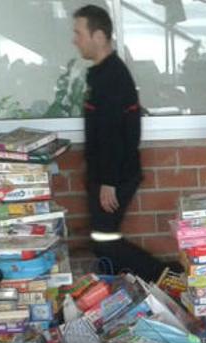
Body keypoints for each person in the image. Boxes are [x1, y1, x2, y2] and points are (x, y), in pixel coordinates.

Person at [72, 4, 171, 281]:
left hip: (114, 177)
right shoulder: (101, 73)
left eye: (79, 33)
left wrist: (109, 182)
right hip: (104, 176)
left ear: (99, 36)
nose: (74, 40)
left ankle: (170, 275)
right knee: (103, 241)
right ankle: (117, 294)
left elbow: (117, 134)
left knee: (104, 241)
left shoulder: (113, 77)